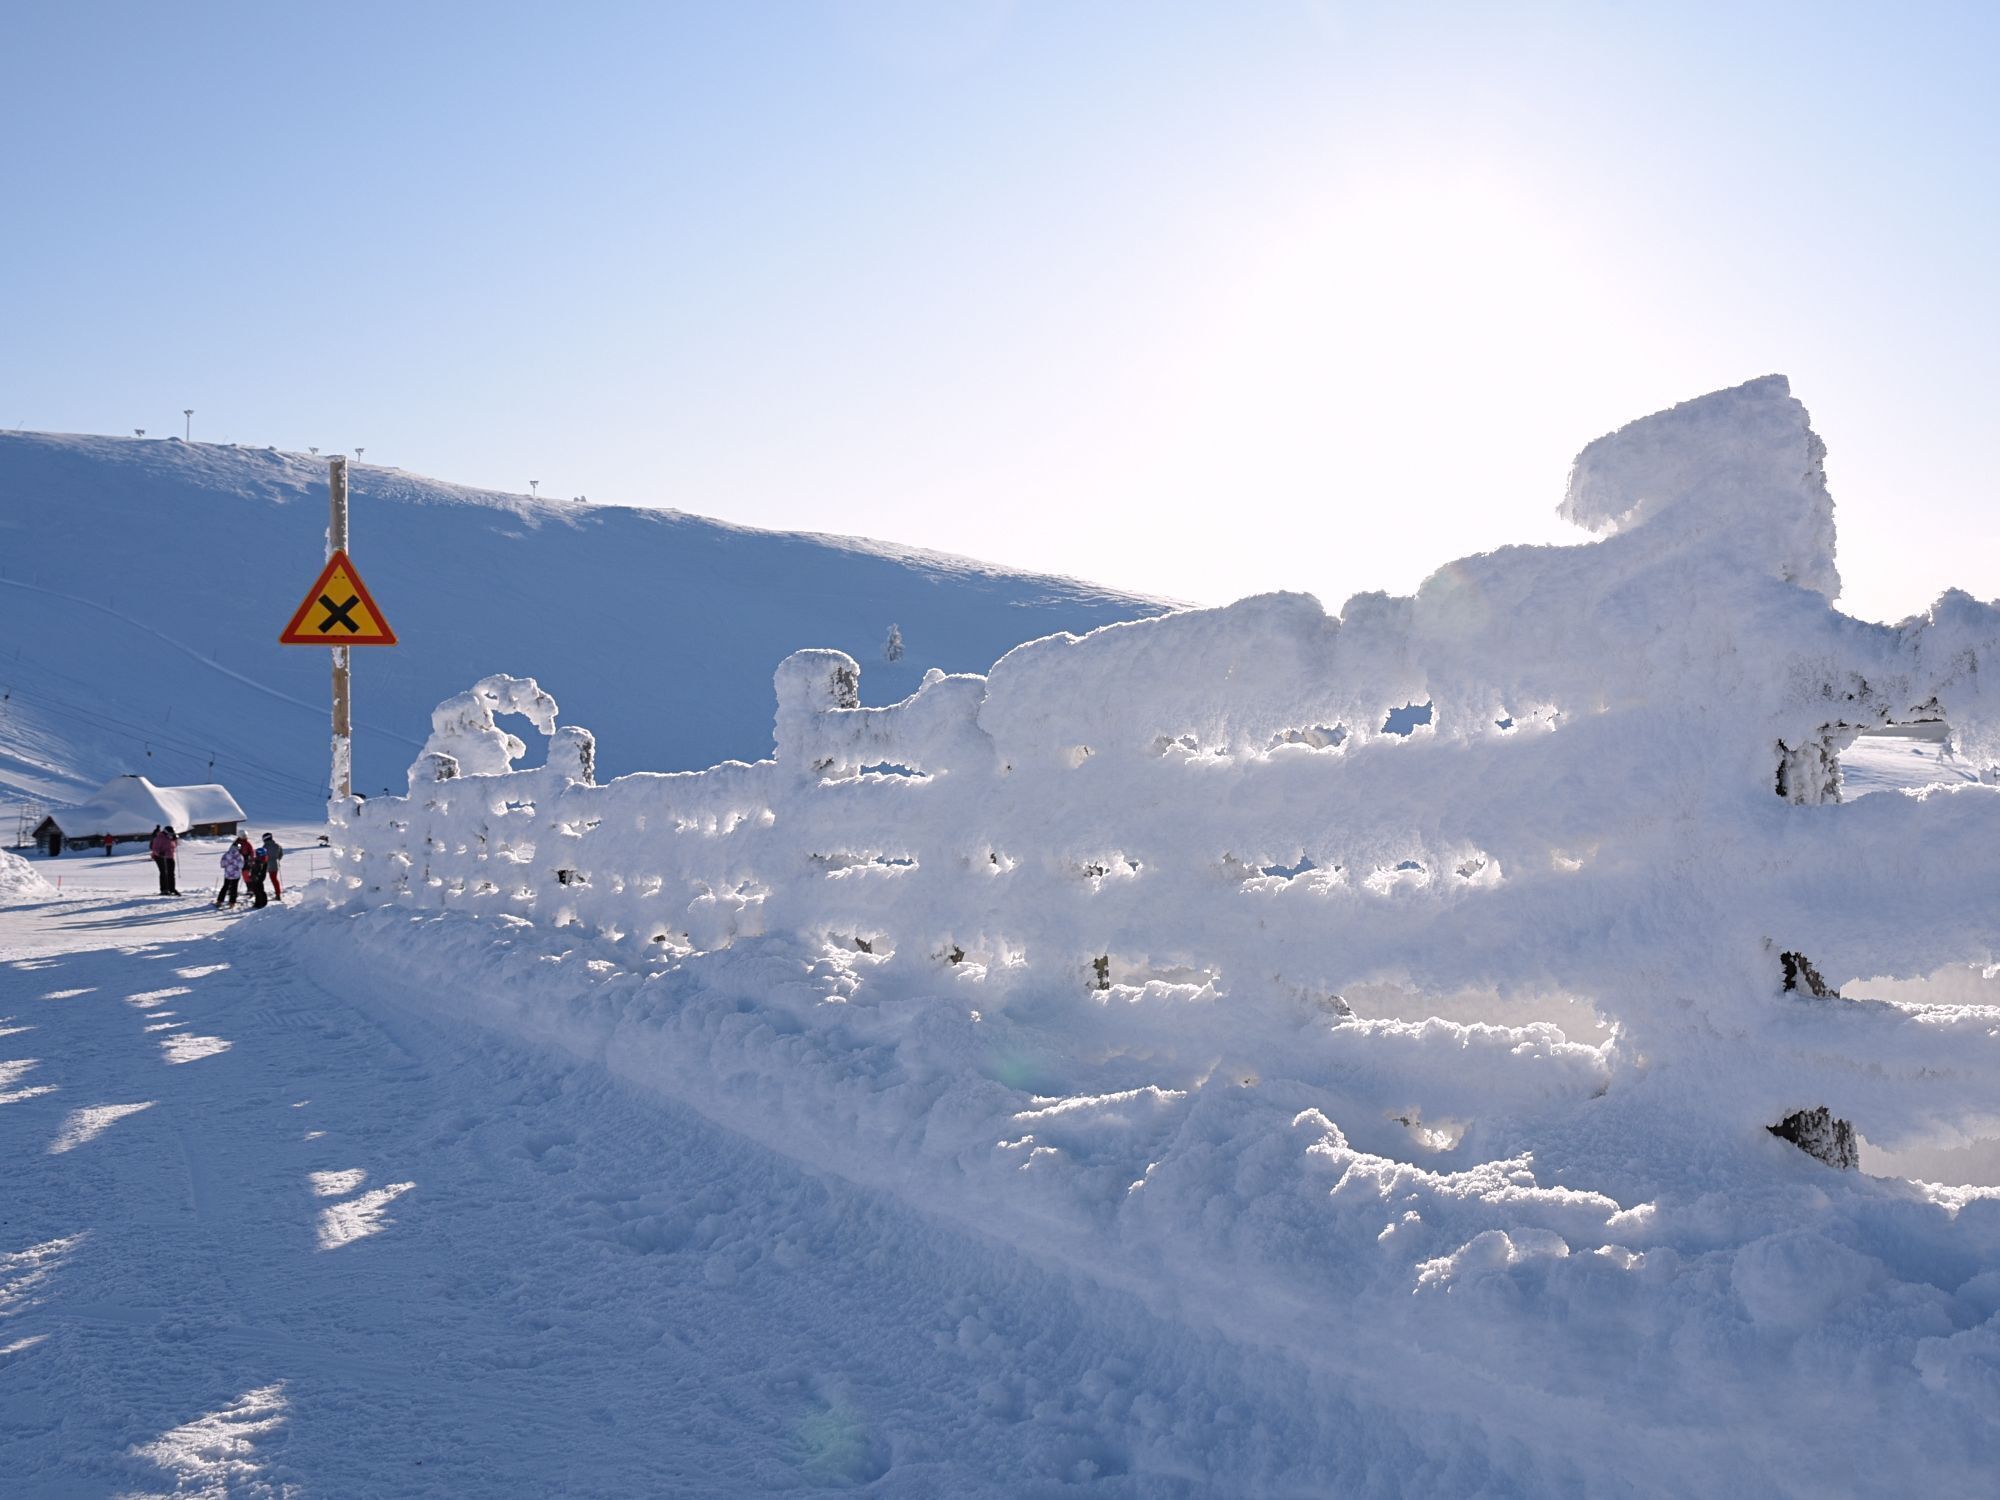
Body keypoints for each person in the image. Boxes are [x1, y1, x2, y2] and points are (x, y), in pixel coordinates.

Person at [149, 824, 180, 895]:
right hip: (160, 857)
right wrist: (159, 853)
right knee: (164, 872)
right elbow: (154, 849)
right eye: (170, 833)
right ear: (166, 832)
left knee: (171, 873)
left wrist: (175, 839)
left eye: (172, 834)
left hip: (170, 857)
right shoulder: (159, 838)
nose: (171, 835)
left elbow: (174, 846)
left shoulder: (171, 838)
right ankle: (164, 889)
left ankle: (172, 889)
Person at [215, 842, 243, 909]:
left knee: (225, 887)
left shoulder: (226, 854)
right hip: (236, 875)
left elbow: (222, 864)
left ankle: (219, 901)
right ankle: (232, 903)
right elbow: (241, 865)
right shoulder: (239, 856)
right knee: (234, 888)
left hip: (228, 874)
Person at [244, 840, 270, 909]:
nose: (256, 855)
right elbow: (255, 862)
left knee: (258, 890)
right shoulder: (261, 859)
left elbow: (258, 869)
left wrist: (255, 876)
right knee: (258, 890)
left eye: (257, 854)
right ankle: (260, 902)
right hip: (257, 877)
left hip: (257, 878)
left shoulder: (261, 861)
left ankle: (260, 903)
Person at [260, 833, 285, 899]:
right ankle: (278, 894)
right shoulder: (277, 846)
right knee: (274, 879)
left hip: (265, 865)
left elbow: (262, 856)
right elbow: (280, 855)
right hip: (274, 864)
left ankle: (258, 893)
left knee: (260, 879)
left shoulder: (265, 846)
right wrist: (276, 859)